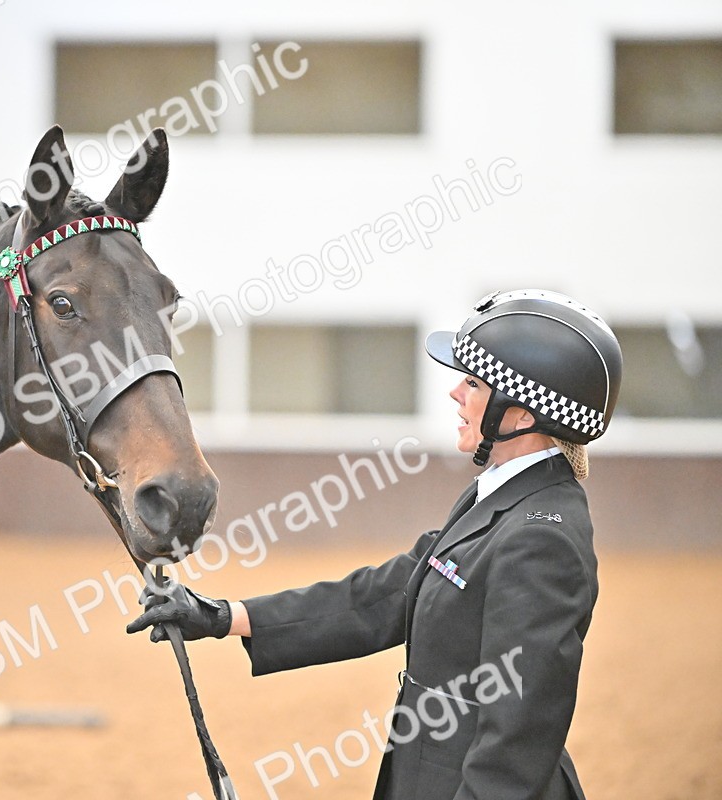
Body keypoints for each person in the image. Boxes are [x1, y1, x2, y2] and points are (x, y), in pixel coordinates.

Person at [128, 289, 623, 800]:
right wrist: (221, 616)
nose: (455, 393)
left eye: (474, 383)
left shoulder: (542, 536)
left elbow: (520, 730)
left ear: (521, 415)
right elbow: (386, 594)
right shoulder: (503, 496)